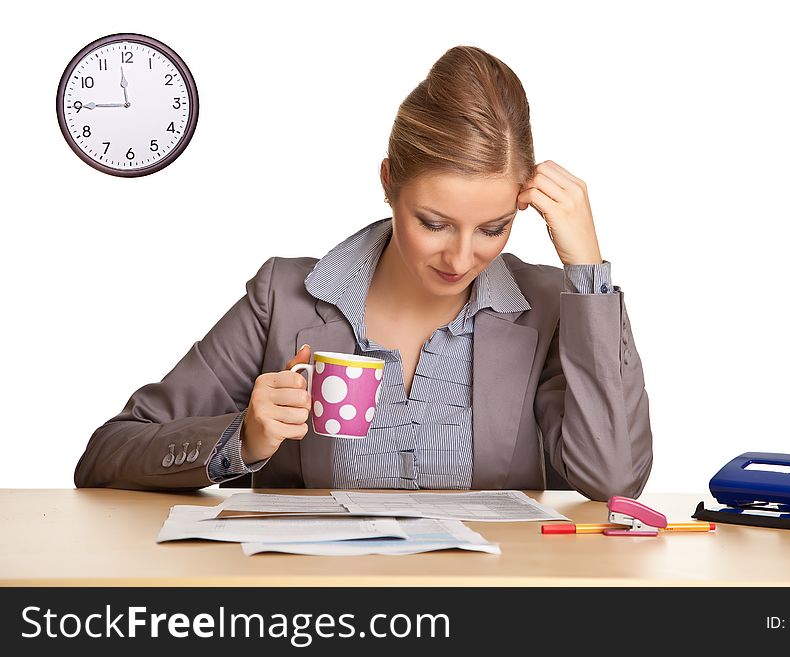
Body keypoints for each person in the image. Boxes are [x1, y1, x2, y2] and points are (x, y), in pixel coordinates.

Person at [74, 45, 653, 500]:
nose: (459, 259)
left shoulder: (549, 307)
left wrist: (587, 271)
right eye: (433, 223)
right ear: (387, 184)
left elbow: (613, 480)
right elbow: (107, 452)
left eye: (493, 228)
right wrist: (243, 438)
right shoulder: (285, 299)